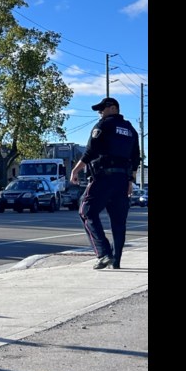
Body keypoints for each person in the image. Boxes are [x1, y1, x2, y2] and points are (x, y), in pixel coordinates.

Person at [69, 97, 141, 270]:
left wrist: (75, 170)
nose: (100, 112)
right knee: (118, 222)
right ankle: (116, 261)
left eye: (103, 108)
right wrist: (130, 180)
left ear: (114, 108)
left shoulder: (104, 125)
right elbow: (136, 158)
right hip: (122, 180)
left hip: (103, 177)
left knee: (86, 211)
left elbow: (91, 151)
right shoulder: (131, 130)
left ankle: (104, 254)